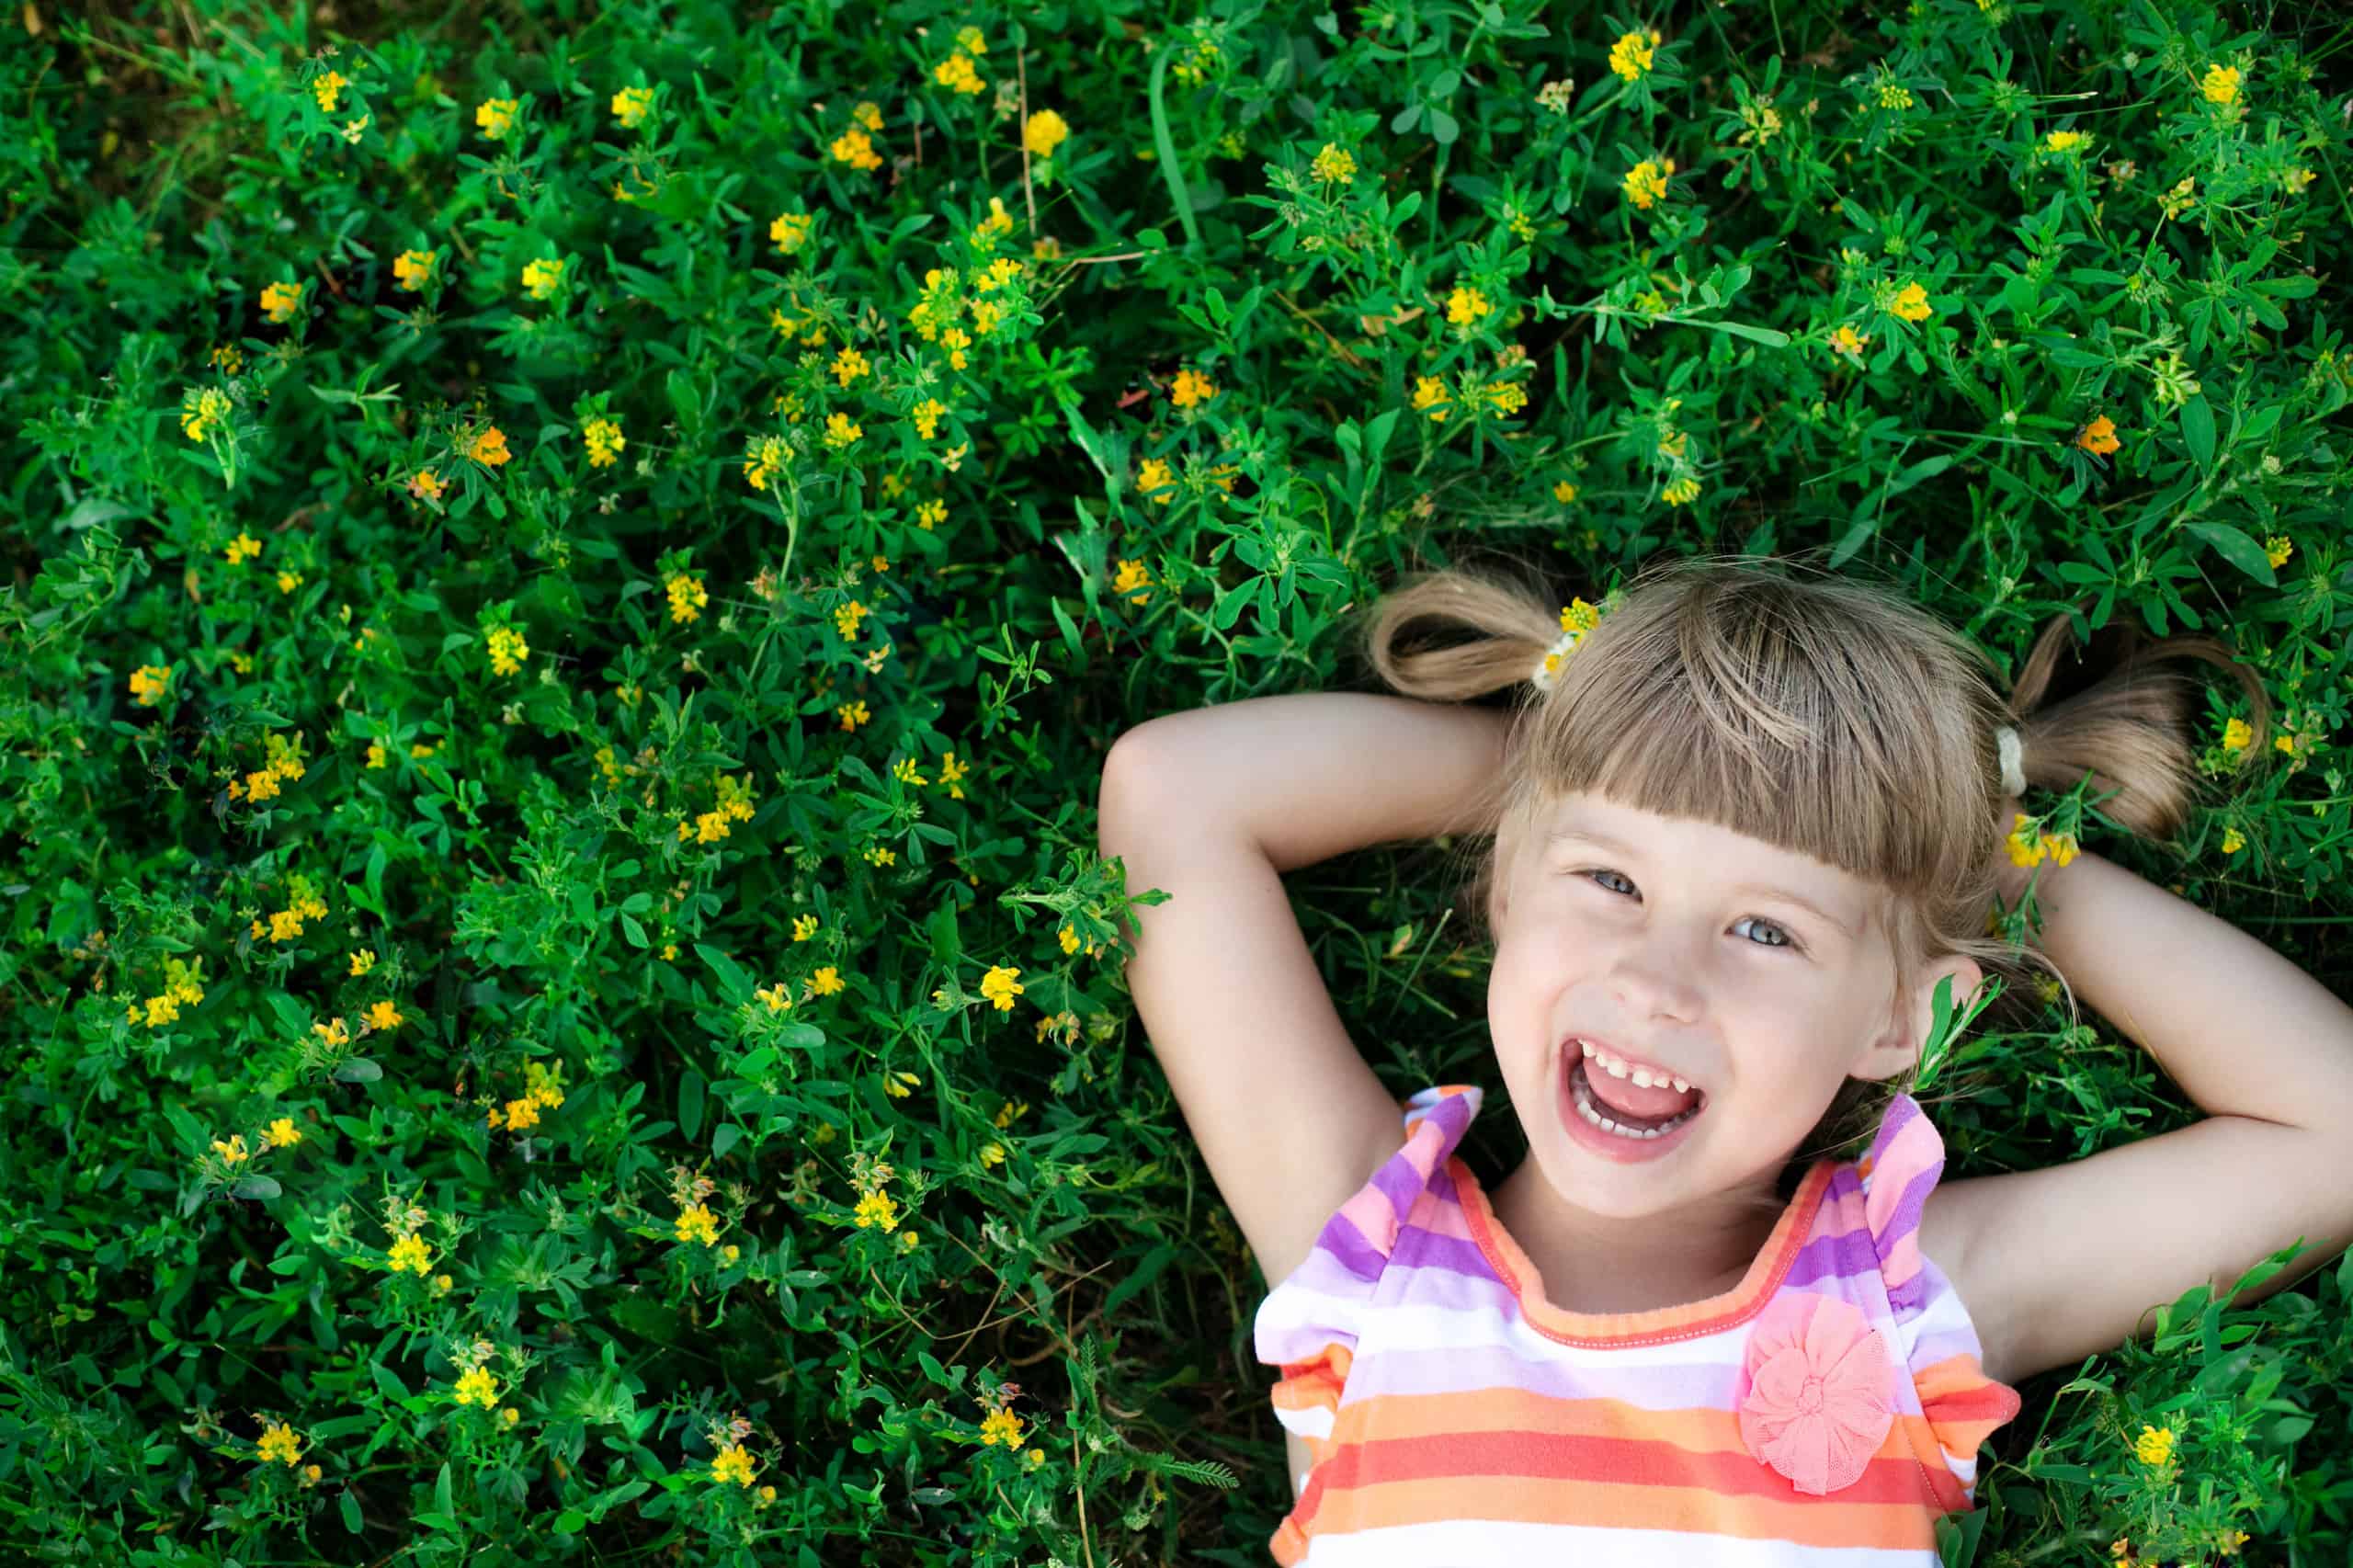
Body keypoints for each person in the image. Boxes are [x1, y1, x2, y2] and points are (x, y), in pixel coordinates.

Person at [1094, 551, 2353, 1564]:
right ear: (1508, 888)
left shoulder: (1905, 1306)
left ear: (1899, 1020)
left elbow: (2332, 1128)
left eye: (1766, 927)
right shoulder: (1365, 1253)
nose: (1656, 975)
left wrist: (1984, 863)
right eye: (1608, 877)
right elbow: (1168, 796)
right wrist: (1589, 764)